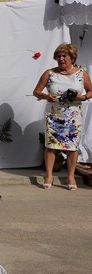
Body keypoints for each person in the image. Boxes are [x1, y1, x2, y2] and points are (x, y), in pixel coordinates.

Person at [33, 43, 92, 190]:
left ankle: (71, 176)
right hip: (54, 116)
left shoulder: (81, 74)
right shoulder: (49, 73)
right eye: (58, 56)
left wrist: (82, 97)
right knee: (51, 146)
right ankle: (48, 176)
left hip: (74, 117)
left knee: (72, 147)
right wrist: (46, 96)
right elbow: (36, 91)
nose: (61, 59)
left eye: (64, 56)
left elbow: (91, 91)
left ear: (72, 57)